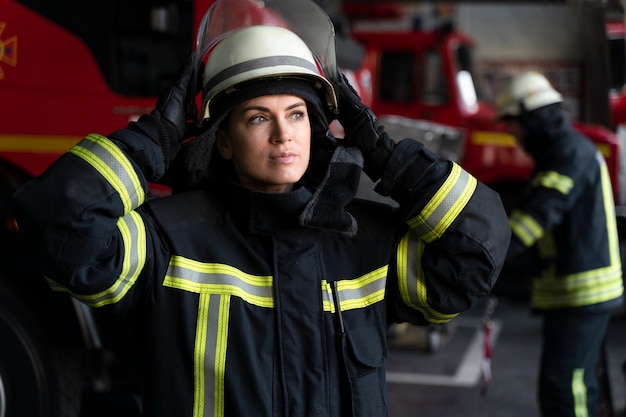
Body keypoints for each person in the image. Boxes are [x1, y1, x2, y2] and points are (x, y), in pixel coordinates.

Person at [11, 1, 510, 415]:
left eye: (296, 114)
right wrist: (153, 140)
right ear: (223, 140)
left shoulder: (365, 244)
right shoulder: (170, 241)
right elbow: (56, 228)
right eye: (256, 118)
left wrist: (384, 153)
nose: (282, 135)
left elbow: (478, 252)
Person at [494, 70, 624, 417]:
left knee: (566, 389)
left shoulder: (566, 154)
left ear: (532, 118)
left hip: (582, 293)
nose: (513, 134)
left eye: (515, 124)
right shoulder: (565, 151)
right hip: (575, 293)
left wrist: (483, 258)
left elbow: (532, 222)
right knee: (574, 383)